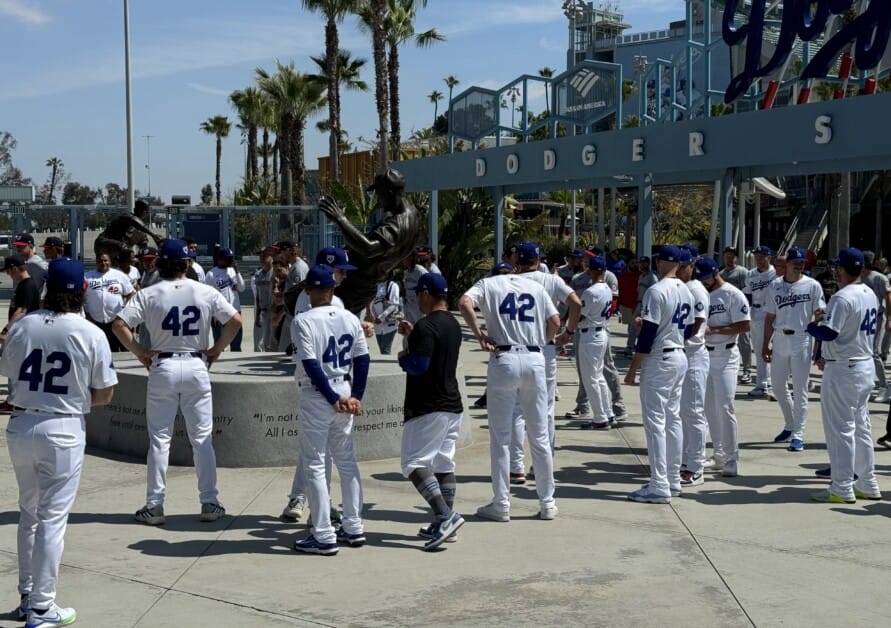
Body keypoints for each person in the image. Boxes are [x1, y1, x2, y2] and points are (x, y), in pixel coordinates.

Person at [1, 257, 117, 628]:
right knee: (51, 520)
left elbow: (8, 372)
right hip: (62, 428)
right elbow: (104, 395)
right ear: (83, 290)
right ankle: (41, 607)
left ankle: (26, 594)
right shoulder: (89, 332)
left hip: (21, 424)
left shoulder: (23, 325)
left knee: (29, 513)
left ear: (48, 287)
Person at [113, 239, 242, 526]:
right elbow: (235, 320)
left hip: (164, 364)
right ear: (187, 263)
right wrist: (217, 349)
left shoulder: (149, 293)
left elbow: (119, 324)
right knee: (202, 439)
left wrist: (140, 353)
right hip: (196, 363)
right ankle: (209, 501)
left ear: (159, 264)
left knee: (160, 439)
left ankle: (155, 505)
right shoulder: (204, 291)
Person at [459, 259, 560, 521]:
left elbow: (464, 302)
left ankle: (502, 503)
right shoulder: (535, 287)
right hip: (535, 356)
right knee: (539, 436)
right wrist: (542, 341)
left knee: (501, 436)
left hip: (504, 356)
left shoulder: (488, 284)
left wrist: (479, 333)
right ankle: (547, 502)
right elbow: (556, 320)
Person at [291, 265, 370, 556]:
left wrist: (330, 397)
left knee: (315, 463)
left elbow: (311, 364)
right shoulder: (350, 317)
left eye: (309, 288)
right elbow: (362, 360)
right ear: (332, 290)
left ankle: (323, 533)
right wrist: (356, 396)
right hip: (345, 389)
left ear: (310, 290)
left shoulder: (303, 320)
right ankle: (353, 526)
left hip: (318, 394)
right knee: (346, 461)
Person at [281, 246, 360, 523]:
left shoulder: (311, 300)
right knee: (327, 458)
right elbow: (358, 358)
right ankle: (324, 514)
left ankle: (309, 504)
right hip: (326, 385)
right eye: (340, 271)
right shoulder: (326, 304)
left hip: (320, 386)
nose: (344, 276)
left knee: (316, 453)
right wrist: (351, 395)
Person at [396, 272, 465, 550]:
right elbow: (433, 351)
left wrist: (403, 357)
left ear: (426, 294)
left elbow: (419, 366)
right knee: (443, 463)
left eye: (417, 295)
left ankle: (445, 516)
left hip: (428, 405)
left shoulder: (427, 325)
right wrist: (412, 337)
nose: (416, 300)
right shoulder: (452, 323)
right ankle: (444, 524)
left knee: (413, 463)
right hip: (451, 403)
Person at [807, 248, 882, 503]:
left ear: (842, 269)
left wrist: (812, 326)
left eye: (837, 267)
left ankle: (841, 487)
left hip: (844, 368)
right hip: (864, 364)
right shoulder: (869, 292)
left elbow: (829, 333)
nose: (835, 271)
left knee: (841, 429)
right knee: (861, 427)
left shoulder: (842, 297)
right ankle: (868, 483)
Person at [624, 245, 694, 503]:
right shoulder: (685, 290)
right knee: (672, 419)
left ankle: (659, 485)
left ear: (662, 262)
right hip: (678, 354)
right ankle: (673, 480)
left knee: (655, 423)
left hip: (660, 358)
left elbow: (648, 335)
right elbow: (687, 329)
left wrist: (634, 368)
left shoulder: (656, 290)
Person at [509, 242, 581, 482]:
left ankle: (515, 466)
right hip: (544, 348)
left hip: (516, 347)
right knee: (545, 410)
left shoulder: (509, 280)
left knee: (517, 411)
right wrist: (568, 332)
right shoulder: (550, 280)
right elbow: (576, 303)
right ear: (538, 260)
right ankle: (543, 464)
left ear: (516, 260)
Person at [319, 168, 422, 314]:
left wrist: (340, 219)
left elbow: (369, 249)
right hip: (365, 285)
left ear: (390, 193)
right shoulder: (413, 215)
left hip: (356, 285)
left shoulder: (397, 224)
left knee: (305, 306)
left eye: (380, 195)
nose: (378, 201)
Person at [762, 246, 825, 452]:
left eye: (802, 262)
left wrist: (819, 345)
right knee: (778, 386)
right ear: (786, 264)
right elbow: (770, 317)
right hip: (780, 338)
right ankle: (790, 424)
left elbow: (820, 315)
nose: (799, 264)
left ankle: (798, 434)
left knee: (800, 389)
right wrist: (765, 345)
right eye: (795, 261)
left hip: (802, 339)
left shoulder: (812, 285)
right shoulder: (774, 286)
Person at [697, 256, 751, 477]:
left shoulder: (732, 294)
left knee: (726, 406)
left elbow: (745, 324)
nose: (702, 281)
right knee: (709, 407)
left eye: (705, 278)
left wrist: (717, 330)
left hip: (727, 354)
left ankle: (732, 458)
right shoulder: (701, 292)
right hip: (705, 354)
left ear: (714, 273)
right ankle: (718, 455)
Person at [677, 247, 710, 486]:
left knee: (694, 412)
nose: (679, 269)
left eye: (683, 265)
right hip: (683, 353)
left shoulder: (696, 289)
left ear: (692, 266)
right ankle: (686, 460)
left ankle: (696, 466)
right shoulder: (682, 288)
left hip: (694, 353)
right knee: (683, 412)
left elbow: (698, 323)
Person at [576, 255, 615, 430]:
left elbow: (580, 315)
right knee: (598, 376)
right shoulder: (606, 287)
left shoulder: (590, 291)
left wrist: (567, 323)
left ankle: (600, 418)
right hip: (601, 332)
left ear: (590, 270)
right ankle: (608, 413)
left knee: (590, 378)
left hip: (590, 335)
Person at [84, 253, 136, 352]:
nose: (103, 263)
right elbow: (80, 297)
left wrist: (126, 312)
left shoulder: (119, 275)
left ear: (110, 262)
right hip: (95, 321)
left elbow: (131, 294)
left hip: (117, 320)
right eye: (100, 261)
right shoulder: (87, 277)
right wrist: (87, 315)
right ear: (96, 263)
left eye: (105, 260)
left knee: (125, 348)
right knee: (104, 351)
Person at [744, 246, 777, 398]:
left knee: (765, 349)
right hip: (755, 312)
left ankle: (763, 384)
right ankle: (767, 381)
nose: (759, 259)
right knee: (759, 349)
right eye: (757, 256)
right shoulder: (750, 274)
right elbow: (748, 296)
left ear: (769, 257)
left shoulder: (775, 273)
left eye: (762, 256)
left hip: (769, 312)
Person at [859, 251, 891, 402]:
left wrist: (889, 319)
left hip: (876, 318)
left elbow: (888, 298)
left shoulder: (879, 278)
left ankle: (884, 387)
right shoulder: (857, 276)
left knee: (874, 352)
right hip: (860, 318)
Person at [720, 246, 752, 384]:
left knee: (744, 341)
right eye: (727, 256)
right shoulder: (720, 274)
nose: (729, 259)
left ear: (736, 258)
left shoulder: (742, 272)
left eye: (732, 256)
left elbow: (747, 293)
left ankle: (747, 370)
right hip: (725, 312)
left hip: (739, 312)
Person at [204, 247, 245, 352]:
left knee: (236, 343)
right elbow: (208, 296)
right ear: (220, 259)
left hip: (235, 310)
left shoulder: (233, 271)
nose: (231, 261)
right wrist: (213, 314)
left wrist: (237, 271)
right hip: (219, 313)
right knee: (219, 343)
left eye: (231, 258)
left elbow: (242, 288)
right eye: (228, 258)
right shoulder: (211, 274)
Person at [94, 199, 163, 260]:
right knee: (124, 248)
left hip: (117, 255)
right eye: (140, 209)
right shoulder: (126, 216)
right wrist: (152, 234)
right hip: (103, 243)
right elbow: (134, 221)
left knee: (129, 253)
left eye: (145, 211)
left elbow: (144, 250)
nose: (143, 212)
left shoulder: (141, 234)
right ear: (135, 209)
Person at [275, 240, 309, 353]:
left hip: (294, 313)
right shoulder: (295, 266)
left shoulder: (298, 268)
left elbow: (296, 296)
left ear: (289, 251)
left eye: (282, 251)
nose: (280, 255)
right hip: (292, 312)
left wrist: (280, 314)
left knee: (286, 348)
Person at [1, 255, 41, 343]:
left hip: (26, 331)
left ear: (14, 269)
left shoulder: (28, 285)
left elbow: (22, 311)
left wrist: (5, 331)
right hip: (21, 329)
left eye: (8, 271)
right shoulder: (22, 284)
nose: (8, 275)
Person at [368, 275, 401, 354]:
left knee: (385, 349)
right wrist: (372, 315)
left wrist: (381, 317)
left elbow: (393, 304)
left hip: (389, 324)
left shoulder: (392, 285)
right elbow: (371, 301)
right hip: (377, 325)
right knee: (382, 349)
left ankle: (386, 365)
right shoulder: (376, 286)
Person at [252, 246, 276, 352]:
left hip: (274, 312)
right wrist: (257, 315)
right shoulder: (258, 274)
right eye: (260, 256)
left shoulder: (276, 272)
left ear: (272, 257)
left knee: (273, 343)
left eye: (265, 255)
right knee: (259, 344)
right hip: (263, 311)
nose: (261, 258)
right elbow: (257, 296)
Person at [617, 256, 641, 354]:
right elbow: (619, 292)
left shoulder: (641, 276)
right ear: (628, 264)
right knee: (630, 327)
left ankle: (632, 346)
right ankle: (632, 345)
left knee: (636, 327)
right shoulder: (622, 277)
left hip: (638, 304)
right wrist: (619, 306)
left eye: (636, 263)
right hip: (626, 305)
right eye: (632, 263)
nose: (635, 265)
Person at [400, 251, 428, 324]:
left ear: (410, 258)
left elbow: (428, 288)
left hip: (418, 306)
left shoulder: (420, 271)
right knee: (409, 328)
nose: (402, 260)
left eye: (404, 258)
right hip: (408, 303)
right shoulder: (406, 272)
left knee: (420, 327)